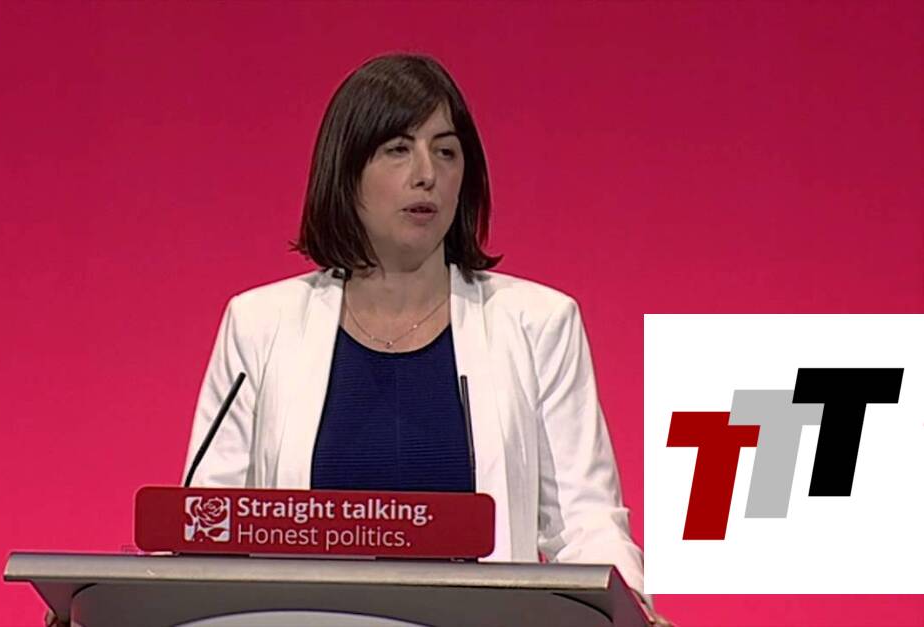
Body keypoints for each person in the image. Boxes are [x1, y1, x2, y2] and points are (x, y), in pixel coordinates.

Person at [182, 53, 672, 626]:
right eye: (398, 149)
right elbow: (205, 532)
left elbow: (585, 523)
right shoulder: (259, 325)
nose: (426, 174)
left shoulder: (538, 323)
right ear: (346, 171)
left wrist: (633, 613)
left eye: (445, 151)